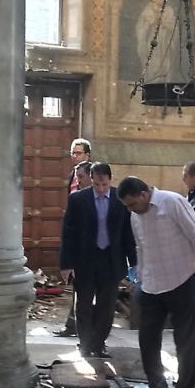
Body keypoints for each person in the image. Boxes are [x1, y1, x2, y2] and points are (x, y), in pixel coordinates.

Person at [118, 176, 195, 388]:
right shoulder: (135, 216)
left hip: (184, 281)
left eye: (131, 204)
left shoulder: (173, 202)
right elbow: (141, 247)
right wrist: (138, 275)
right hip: (151, 285)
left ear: (143, 194)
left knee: (186, 343)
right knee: (147, 339)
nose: (130, 210)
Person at [59, 163, 136, 359]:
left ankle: (99, 343)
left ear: (110, 180)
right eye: (96, 184)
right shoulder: (78, 200)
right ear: (91, 181)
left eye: (104, 184)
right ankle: (85, 344)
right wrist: (66, 265)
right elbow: (68, 233)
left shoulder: (120, 200)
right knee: (83, 304)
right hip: (84, 260)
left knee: (106, 305)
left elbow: (128, 234)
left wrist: (134, 263)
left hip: (111, 260)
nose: (100, 189)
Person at [56, 138, 93, 338]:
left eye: (78, 153)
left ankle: (83, 327)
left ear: (87, 155)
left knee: (86, 289)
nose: (74, 156)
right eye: (72, 153)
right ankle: (74, 325)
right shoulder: (73, 175)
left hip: (90, 241)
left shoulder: (94, 175)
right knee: (77, 286)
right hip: (75, 235)